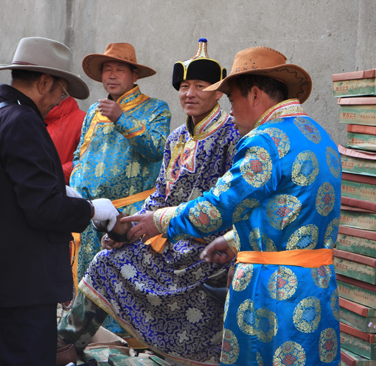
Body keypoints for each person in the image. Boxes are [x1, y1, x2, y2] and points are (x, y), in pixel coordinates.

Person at [126, 46, 342, 366]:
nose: (231, 110)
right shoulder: (318, 135)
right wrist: (231, 240)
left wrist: (158, 220)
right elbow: (290, 211)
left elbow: (218, 207)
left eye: (231, 99)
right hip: (318, 284)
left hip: (273, 290)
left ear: (254, 95)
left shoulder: (265, 140)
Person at [57, 39, 241, 365]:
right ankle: (64, 346)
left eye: (201, 86)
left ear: (219, 93)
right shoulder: (177, 138)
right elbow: (160, 193)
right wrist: (129, 227)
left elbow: (233, 202)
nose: (190, 94)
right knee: (105, 261)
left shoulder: (231, 135)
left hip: (209, 246)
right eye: (184, 86)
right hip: (164, 238)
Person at [0, 37, 119, 366]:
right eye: (60, 92)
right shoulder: (22, 121)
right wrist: (89, 209)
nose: (59, 102)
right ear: (44, 82)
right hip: (23, 282)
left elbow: (5, 188)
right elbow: (43, 207)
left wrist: (62, 193)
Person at [69, 42, 170, 332]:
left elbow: (157, 149)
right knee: (86, 285)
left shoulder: (156, 109)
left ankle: (121, 347)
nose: (111, 76)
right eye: (107, 70)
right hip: (88, 214)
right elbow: (80, 154)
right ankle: (83, 343)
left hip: (126, 216)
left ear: (134, 75)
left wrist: (121, 118)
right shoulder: (93, 111)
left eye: (119, 70)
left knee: (120, 287)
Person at [44, 97, 86, 184]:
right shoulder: (29, 116)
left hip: (62, 189)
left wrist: (58, 173)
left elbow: (87, 159)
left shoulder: (81, 119)